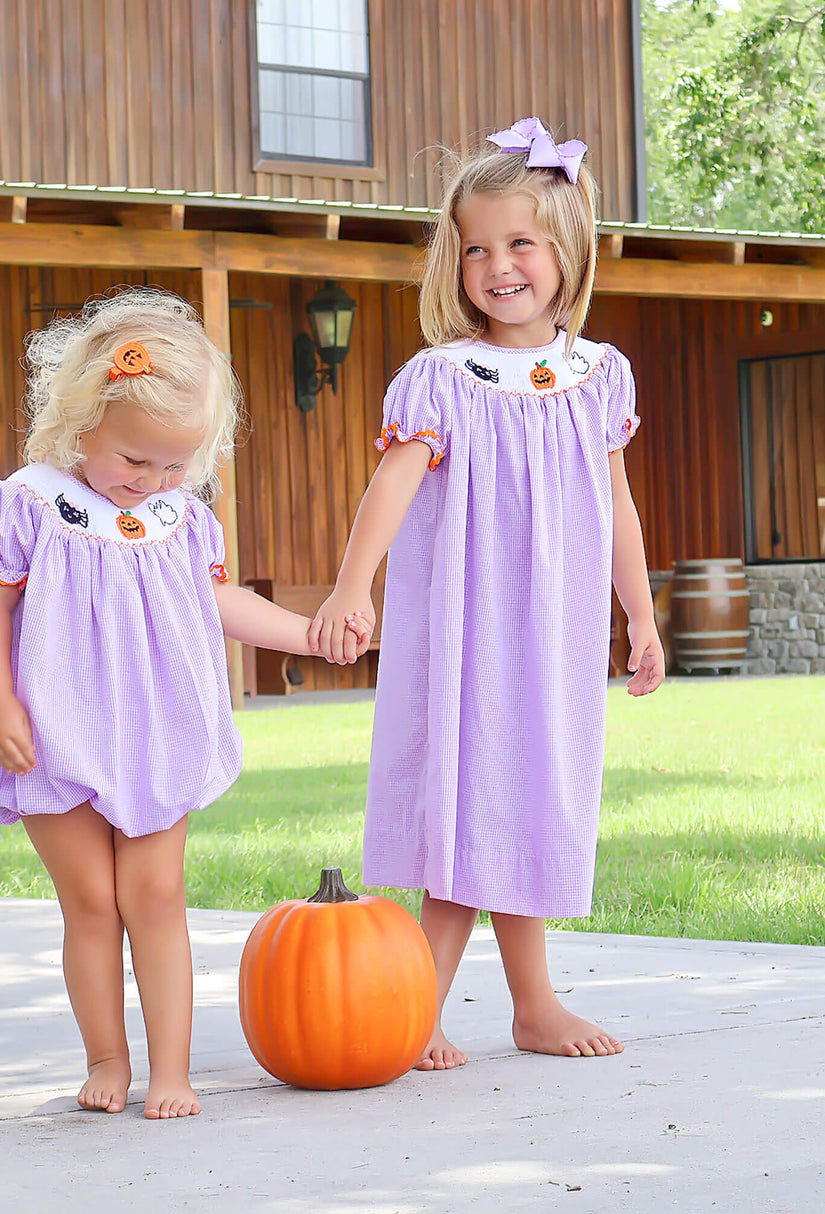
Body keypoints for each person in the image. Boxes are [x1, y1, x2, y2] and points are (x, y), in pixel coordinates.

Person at [0, 288, 368, 1119]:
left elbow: (222, 604)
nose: (153, 481)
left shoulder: (182, 518)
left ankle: (172, 1070)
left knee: (157, 899)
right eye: (134, 462)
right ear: (79, 428)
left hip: (154, 733)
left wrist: (306, 632)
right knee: (91, 904)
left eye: (175, 464)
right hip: (53, 731)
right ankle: (107, 1057)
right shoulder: (30, 503)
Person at [309, 117, 665, 1067]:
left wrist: (640, 613)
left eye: (520, 243)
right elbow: (392, 484)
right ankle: (414, 1007)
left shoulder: (599, 377)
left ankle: (530, 1004)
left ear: (566, 252)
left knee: (532, 801)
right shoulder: (442, 378)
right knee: (469, 805)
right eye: (475, 247)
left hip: (556, 631)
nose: (498, 264)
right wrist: (353, 587)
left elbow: (618, 504)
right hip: (469, 626)